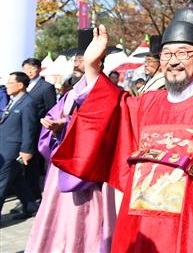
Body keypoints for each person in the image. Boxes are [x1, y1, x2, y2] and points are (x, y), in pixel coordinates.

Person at [52, 9, 193, 252]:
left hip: (186, 224)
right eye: (167, 53)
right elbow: (111, 111)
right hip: (137, 222)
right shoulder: (147, 103)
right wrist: (92, 67)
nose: (173, 61)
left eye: (183, 53)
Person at [26, 29, 117, 253]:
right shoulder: (69, 95)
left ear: (98, 60)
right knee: (57, 223)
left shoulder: (109, 93)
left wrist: (67, 126)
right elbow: (51, 123)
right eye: (76, 59)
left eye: (81, 58)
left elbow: (104, 129)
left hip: (91, 174)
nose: (77, 63)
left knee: (86, 224)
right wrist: (54, 128)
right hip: (62, 171)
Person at [0, 71, 40, 219]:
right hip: (5, 146)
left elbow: (29, 129)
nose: (7, 85)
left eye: (10, 82)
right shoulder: (13, 101)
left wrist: (26, 150)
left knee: (2, 182)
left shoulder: (28, 103)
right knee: (17, 181)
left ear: (20, 85)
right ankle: (31, 207)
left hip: (14, 150)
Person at [20, 58, 57, 205]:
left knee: (32, 166)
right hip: (20, 130)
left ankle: (34, 195)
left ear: (39, 69)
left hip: (36, 132)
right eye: (26, 68)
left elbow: (51, 109)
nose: (29, 71)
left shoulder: (46, 87)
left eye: (32, 68)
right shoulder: (22, 85)